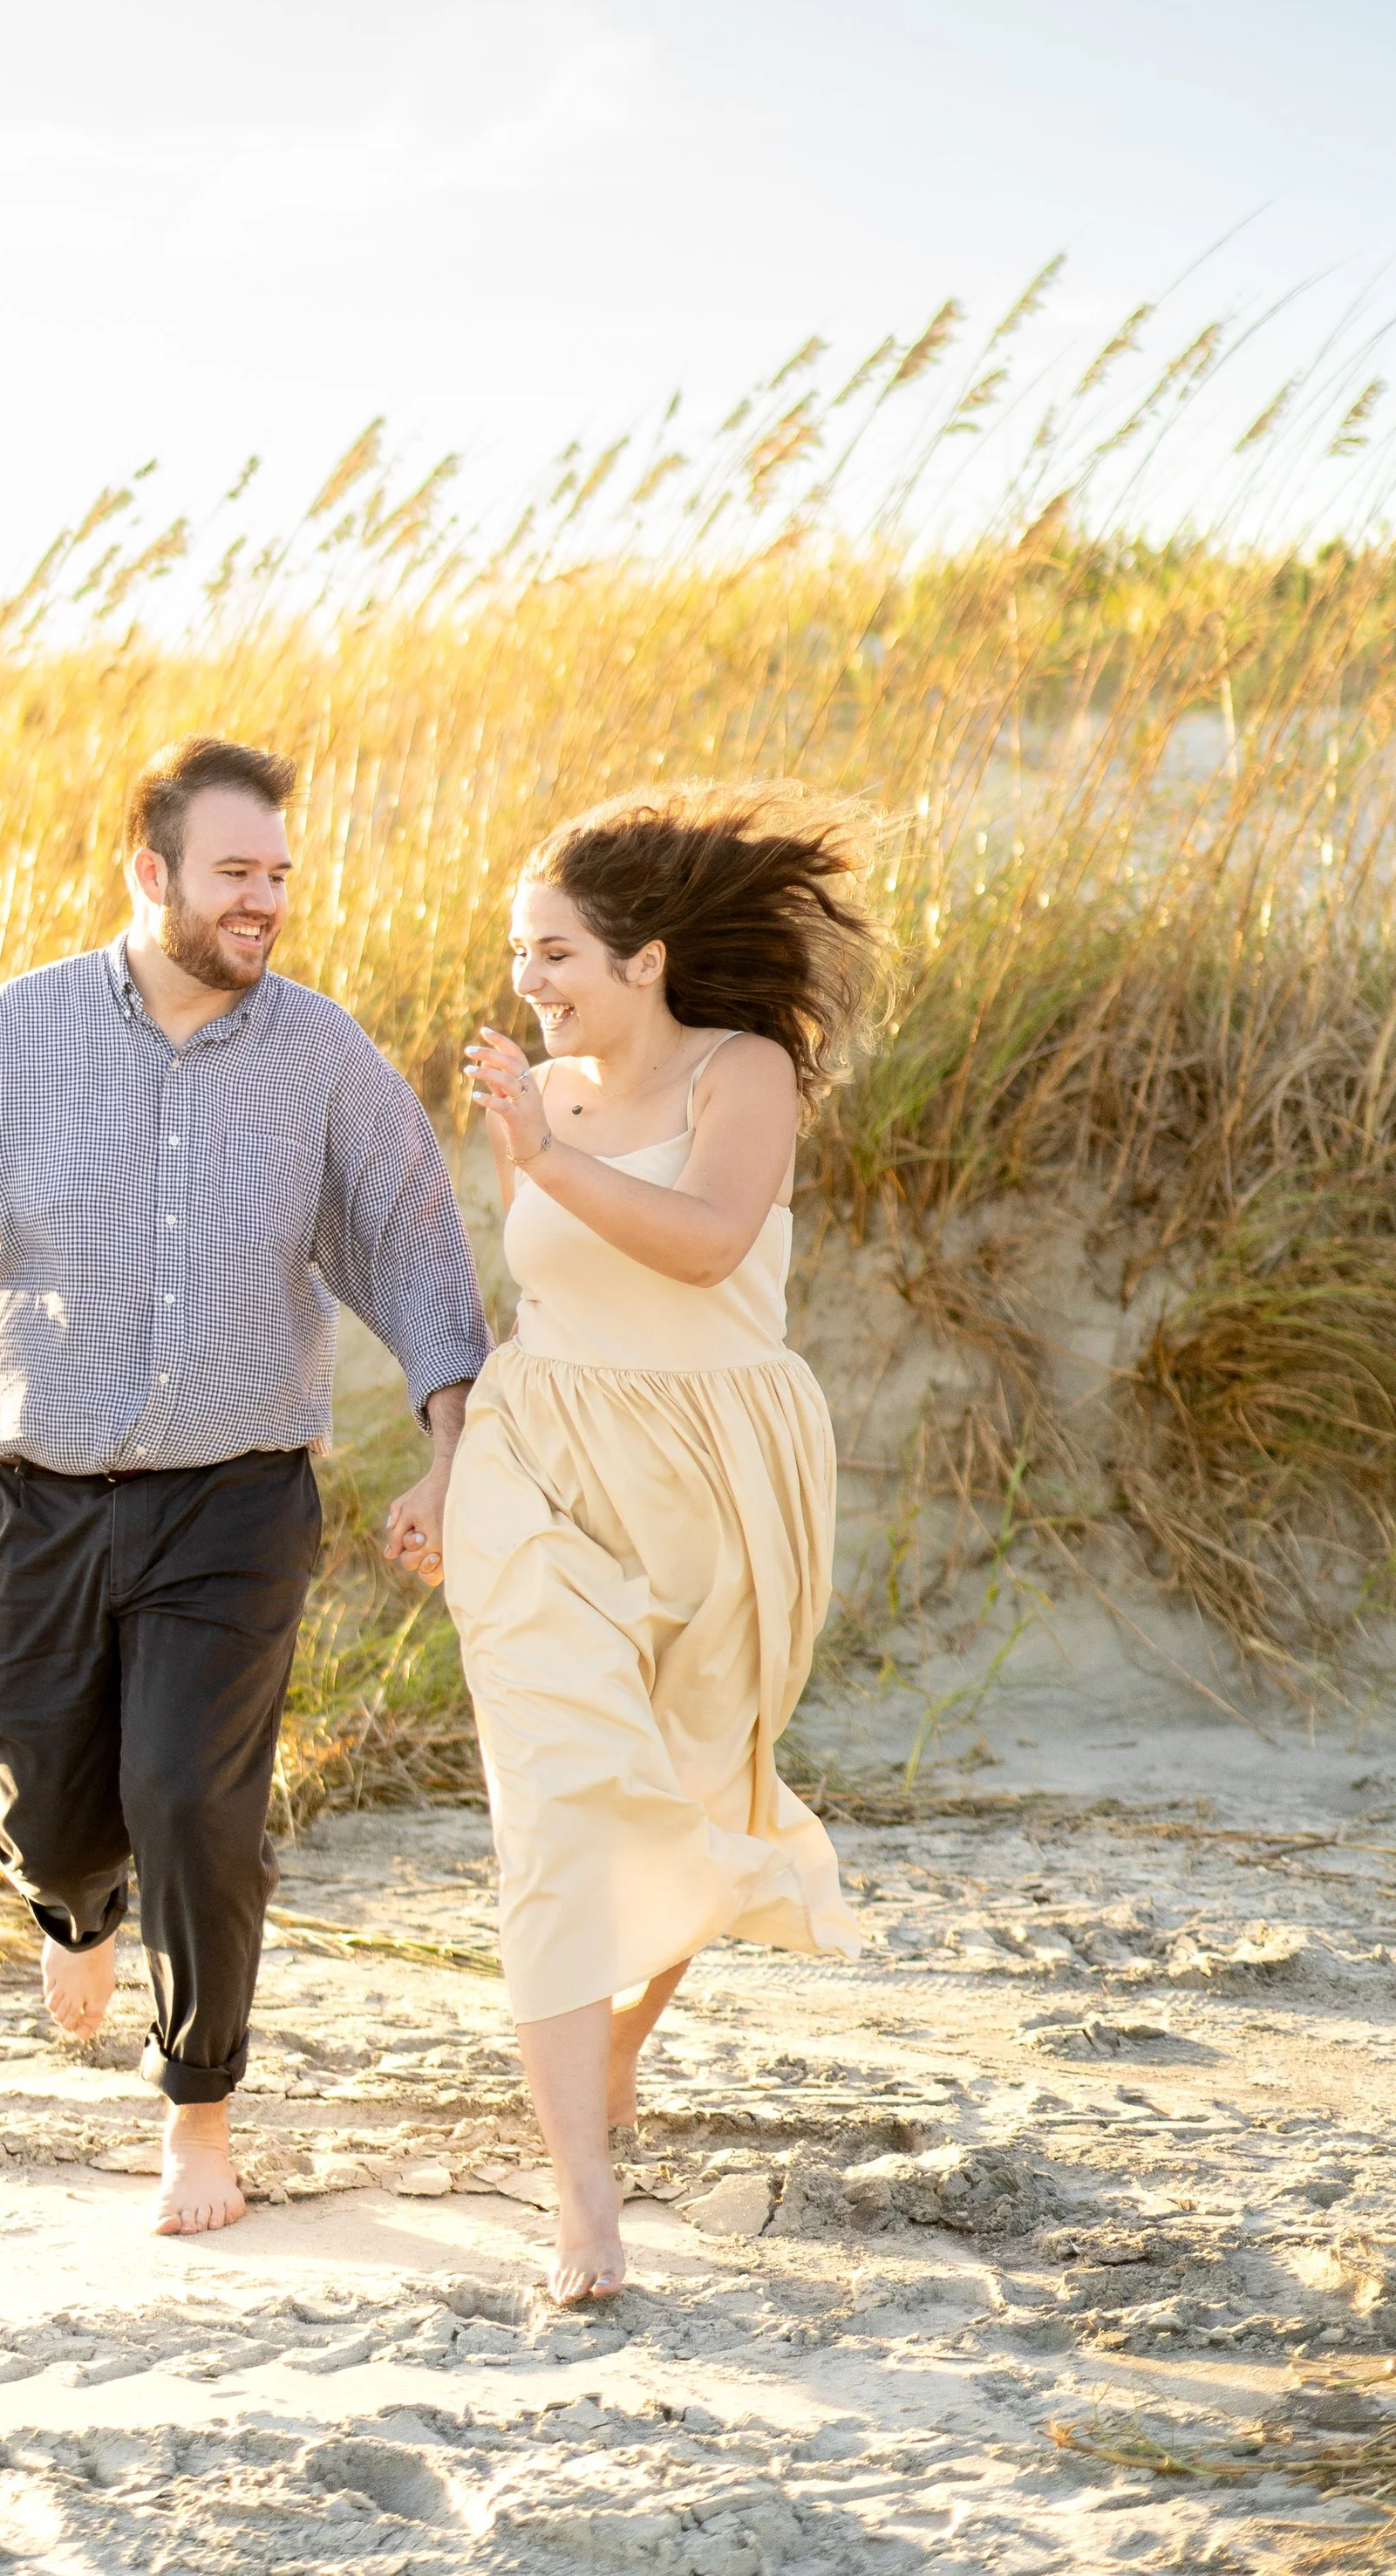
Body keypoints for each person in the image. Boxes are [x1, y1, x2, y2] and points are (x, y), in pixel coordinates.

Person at [0, 734, 489, 2237]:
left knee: (192, 1798)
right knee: (54, 1818)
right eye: (235, 871)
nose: (265, 899)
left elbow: (416, 1242)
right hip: (31, 1493)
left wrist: (451, 1441)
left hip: (234, 1497)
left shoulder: (322, 1056)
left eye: (278, 873)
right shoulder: (14, 1031)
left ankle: (198, 2114)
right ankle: (76, 1906)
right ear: (149, 872)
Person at [389, 780, 884, 2304]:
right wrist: (449, 1467)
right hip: (541, 1456)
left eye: (556, 952)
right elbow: (529, 1297)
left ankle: (618, 2046)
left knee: (695, 1785)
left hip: (722, 1464)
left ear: (645, 959)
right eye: (520, 951)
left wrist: (549, 1154)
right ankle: (580, 2198)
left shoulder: (744, 1074)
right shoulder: (538, 1098)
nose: (529, 979)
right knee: (553, 1806)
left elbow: (711, 1243)